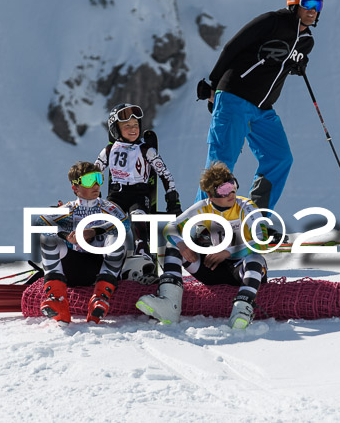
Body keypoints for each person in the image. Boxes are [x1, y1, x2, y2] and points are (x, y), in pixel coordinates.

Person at [195, 0, 324, 225]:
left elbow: (284, 63)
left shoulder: (306, 40)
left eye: (318, 6)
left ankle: (253, 221)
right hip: (235, 97)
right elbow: (233, 46)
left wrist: (297, 65)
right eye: (308, 3)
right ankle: (201, 226)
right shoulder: (272, 21)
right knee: (220, 165)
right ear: (294, 4)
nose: (313, 10)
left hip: (263, 110)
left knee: (279, 158)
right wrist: (213, 83)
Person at [137, 161, 269, 329]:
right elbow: (170, 228)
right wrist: (184, 246)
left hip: (242, 270)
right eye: (223, 189)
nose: (232, 192)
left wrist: (228, 252)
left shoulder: (246, 206)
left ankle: (242, 311)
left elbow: (261, 240)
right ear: (210, 195)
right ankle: (170, 305)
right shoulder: (203, 207)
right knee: (173, 248)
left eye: (232, 184)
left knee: (255, 259)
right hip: (214, 268)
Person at [36, 161, 128, 324]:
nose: (95, 185)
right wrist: (66, 235)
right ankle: (58, 300)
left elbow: (124, 223)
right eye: (88, 180)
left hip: (100, 267)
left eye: (98, 179)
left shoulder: (108, 207)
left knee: (118, 236)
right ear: (75, 188)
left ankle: (100, 298)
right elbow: (40, 223)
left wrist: (94, 231)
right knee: (47, 237)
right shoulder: (68, 209)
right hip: (74, 268)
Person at [95, 103, 182, 259]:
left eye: (135, 125)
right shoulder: (109, 150)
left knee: (138, 216)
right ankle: (108, 253)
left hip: (139, 194)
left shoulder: (146, 150)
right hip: (116, 194)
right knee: (110, 219)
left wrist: (172, 199)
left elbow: (165, 174)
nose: (133, 129)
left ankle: (142, 250)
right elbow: (95, 173)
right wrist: (92, 195)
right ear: (115, 128)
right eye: (127, 125)